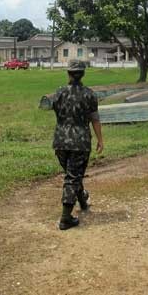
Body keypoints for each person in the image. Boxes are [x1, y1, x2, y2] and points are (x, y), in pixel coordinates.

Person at [52, 60, 103, 230]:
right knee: (73, 177)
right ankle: (66, 218)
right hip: (80, 142)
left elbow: (56, 111)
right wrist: (100, 139)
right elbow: (95, 119)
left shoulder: (58, 93)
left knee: (72, 174)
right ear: (83, 74)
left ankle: (82, 199)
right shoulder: (89, 94)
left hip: (60, 141)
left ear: (68, 73)